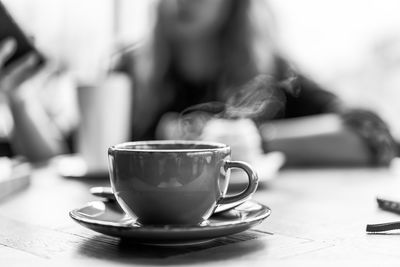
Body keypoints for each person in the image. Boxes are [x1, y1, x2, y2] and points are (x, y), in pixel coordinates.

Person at [1, 0, 397, 168]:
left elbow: (372, 135)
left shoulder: (273, 76)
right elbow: (62, 161)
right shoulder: (127, 70)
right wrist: (19, 103)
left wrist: (247, 140)